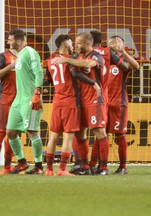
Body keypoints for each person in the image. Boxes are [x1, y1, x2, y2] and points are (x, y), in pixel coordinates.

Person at [54, 32, 128, 175]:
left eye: (79, 43)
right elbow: (76, 72)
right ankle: (85, 166)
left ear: (87, 44)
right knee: (80, 133)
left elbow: (90, 64)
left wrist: (67, 60)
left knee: (99, 131)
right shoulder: (77, 57)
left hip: (96, 100)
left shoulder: (96, 55)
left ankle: (104, 167)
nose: (76, 45)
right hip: (80, 100)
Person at [45, 34, 100, 176]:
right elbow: (75, 74)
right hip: (70, 100)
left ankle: (49, 169)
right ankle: (62, 169)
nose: (73, 45)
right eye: (70, 43)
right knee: (68, 136)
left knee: (53, 136)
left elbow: (48, 79)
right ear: (65, 45)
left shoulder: (51, 60)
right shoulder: (70, 59)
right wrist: (93, 83)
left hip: (57, 100)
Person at [96, 35, 139, 174]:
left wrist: (124, 52)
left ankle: (123, 166)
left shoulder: (124, 62)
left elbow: (136, 66)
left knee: (119, 136)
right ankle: (100, 165)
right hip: (104, 104)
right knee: (101, 134)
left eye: (117, 43)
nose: (114, 45)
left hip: (119, 104)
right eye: (111, 43)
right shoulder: (103, 60)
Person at [6, 29, 44, 174]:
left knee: (32, 132)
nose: (8, 42)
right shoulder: (20, 55)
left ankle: (39, 166)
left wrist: (37, 93)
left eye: (10, 40)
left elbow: (39, 72)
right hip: (18, 100)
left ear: (18, 41)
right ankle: (22, 162)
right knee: (11, 132)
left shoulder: (30, 52)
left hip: (31, 99)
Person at [0, 47, 17, 174]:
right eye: (8, 40)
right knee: (1, 132)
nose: (9, 43)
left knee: (13, 134)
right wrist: (10, 66)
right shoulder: (3, 56)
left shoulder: (26, 56)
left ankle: (7, 166)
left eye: (11, 40)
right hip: (5, 99)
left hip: (20, 101)